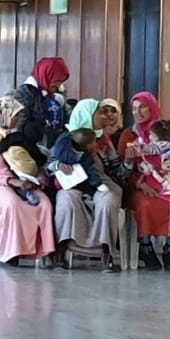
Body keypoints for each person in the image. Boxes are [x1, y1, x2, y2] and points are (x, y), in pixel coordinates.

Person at [0, 96, 56, 266]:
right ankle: (12, 252)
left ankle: (39, 250)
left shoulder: (19, 138)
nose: (18, 120)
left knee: (44, 203)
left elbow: (32, 162)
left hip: (24, 182)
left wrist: (37, 178)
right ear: (3, 116)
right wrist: (10, 181)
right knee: (12, 204)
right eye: (15, 116)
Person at [119, 92, 170, 271]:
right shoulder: (129, 135)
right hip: (140, 184)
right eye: (134, 108)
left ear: (152, 108)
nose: (138, 112)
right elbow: (121, 172)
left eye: (143, 107)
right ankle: (146, 248)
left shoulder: (164, 130)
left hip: (168, 181)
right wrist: (137, 178)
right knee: (145, 204)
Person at [50, 102, 124, 271]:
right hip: (72, 182)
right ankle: (62, 250)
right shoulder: (66, 137)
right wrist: (58, 166)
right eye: (99, 113)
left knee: (108, 199)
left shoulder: (102, 139)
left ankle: (106, 251)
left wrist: (127, 163)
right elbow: (49, 163)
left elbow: (117, 170)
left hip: (99, 181)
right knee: (66, 199)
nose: (103, 117)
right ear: (87, 116)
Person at [15, 57, 70, 150]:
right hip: (33, 147)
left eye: (61, 82)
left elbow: (65, 117)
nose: (59, 85)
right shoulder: (25, 92)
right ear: (46, 76)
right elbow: (19, 125)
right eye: (57, 81)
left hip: (55, 145)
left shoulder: (57, 94)